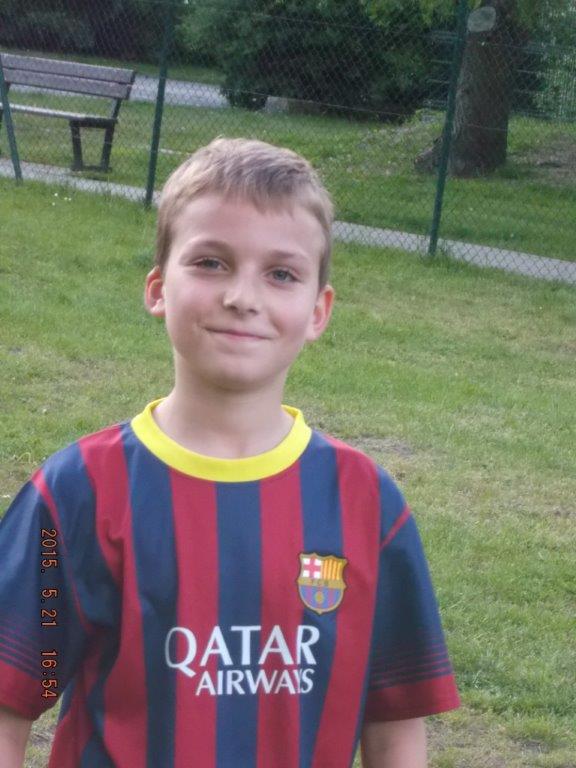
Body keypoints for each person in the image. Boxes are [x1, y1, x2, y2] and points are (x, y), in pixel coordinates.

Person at [0, 137, 459, 768]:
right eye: (211, 262)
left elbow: (395, 723)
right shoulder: (78, 491)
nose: (243, 296)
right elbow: (12, 700)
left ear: (318, 311)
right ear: (158, 288)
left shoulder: (366, 502)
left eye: (281, 274)